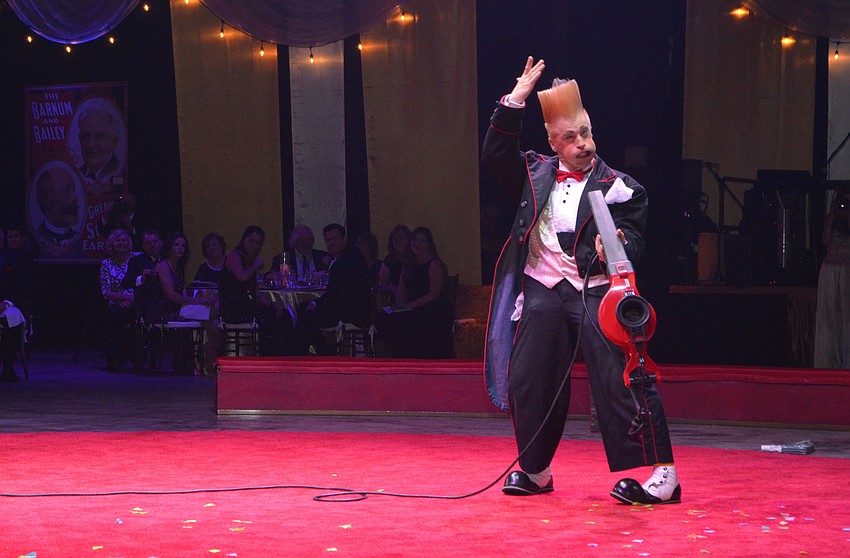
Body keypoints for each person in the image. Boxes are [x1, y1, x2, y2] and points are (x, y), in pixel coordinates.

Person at [481, 57, 679, 505]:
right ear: (553, 142)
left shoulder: (621, 187)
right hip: (544, 286)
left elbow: (637, 242)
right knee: (529, 378)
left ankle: (663, 475)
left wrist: (619, 245)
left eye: (586, 133)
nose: (583, 144)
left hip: (596, 292)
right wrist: (515, 100)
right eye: (570, 138)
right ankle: (535, 470)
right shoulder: (533, 173)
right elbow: (494, 155)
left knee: (623, 375)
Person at [374, 227, 452, 359]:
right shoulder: (408, 266)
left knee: (410, 321)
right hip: (410, 307)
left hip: (430, 308)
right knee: (384, 316)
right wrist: (399, 305)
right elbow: (401, 292)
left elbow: (433, 294)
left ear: (429, 244)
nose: (417, 244)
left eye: (422, 240)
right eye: (415, 240)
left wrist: (411, 305)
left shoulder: (434, 265)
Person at [148, 232, 219, 374]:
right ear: (169, 247)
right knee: (213, 319)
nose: (180, 248)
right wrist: (196, 301)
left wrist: (196, 303)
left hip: (178, 308)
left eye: (183, 245)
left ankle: (209, 355)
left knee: (214, 316)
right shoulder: (163, 266)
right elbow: (171, 294)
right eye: (176, 245)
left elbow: (183, 293)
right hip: (166, 311)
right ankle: (211, 356)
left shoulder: (178, 267)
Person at [295, 223, 371, 355]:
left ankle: (300, 356)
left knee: (307, 314)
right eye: (328, 240)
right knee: (305, 310)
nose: (331, 243)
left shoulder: (346, 260)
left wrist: (316, 303)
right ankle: (319, 353)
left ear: (344, 239)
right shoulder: (350, 256)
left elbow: (337, 294)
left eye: (335, 239)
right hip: (352, 309)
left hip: (350, 312)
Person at [219, 225, 294, 355]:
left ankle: (283, 357)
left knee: (284, 315)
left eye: (258, 243)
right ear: (243, 240)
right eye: (251, 241)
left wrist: (272, 304)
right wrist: (255, 266)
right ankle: (267, 357)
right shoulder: (234, 256)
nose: (254, 245)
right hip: (233, 308)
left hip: (247, 306)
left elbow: (256, 293)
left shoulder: (249, 261)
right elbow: (241, 277)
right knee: (267, 319)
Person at [813, 188, 850, 368]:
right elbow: (825, 240)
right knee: (829, 315)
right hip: (830, 268)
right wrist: (834, 214)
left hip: (847, 269)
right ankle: (828, 361)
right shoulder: (833, 217)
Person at [99, 228, 137, 373]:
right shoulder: (106, 264)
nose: (121, 243)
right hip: (117, 304)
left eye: (124, 240)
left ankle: (137, 356)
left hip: (137, 302)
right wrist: (126, 298)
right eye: (118, 240)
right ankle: (116, 358)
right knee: (114, 316)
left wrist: (133, 300)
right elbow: (107, 292)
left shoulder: (137, 259)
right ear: (112, 244)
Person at [34, 166, 80, 245]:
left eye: (73, 189)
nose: (75, 198)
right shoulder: (41, 235)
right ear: (48, 199)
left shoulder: (76, 237)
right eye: (66, 190)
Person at [77, 107, 122, 184]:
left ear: (114, 142)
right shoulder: (77, 174)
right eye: (86, 136)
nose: (91, 144)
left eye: (99, 136)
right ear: (80, 140)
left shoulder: (117, 170)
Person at [377, 224, 413, 298]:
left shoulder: (415, 257)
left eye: (401, 239)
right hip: (398, 301)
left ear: (408, 239)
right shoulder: (389, 261)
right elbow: (381, 284)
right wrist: (393, 289)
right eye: (394, 239)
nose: (397, 242)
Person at [0, 299, 26, 383]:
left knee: (6, 349)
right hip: (10, 341)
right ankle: (7, 373)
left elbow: (7, 327)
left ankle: (8, 373)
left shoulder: (11, 312)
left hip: (11, 341)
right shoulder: (13, 312)